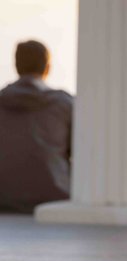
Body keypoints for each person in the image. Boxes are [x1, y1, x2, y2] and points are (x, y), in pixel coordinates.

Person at [0, 40, 73, 213]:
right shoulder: (64, 104)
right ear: (47, 68)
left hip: (3, 200)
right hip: (55, 201)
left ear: (17, 66)